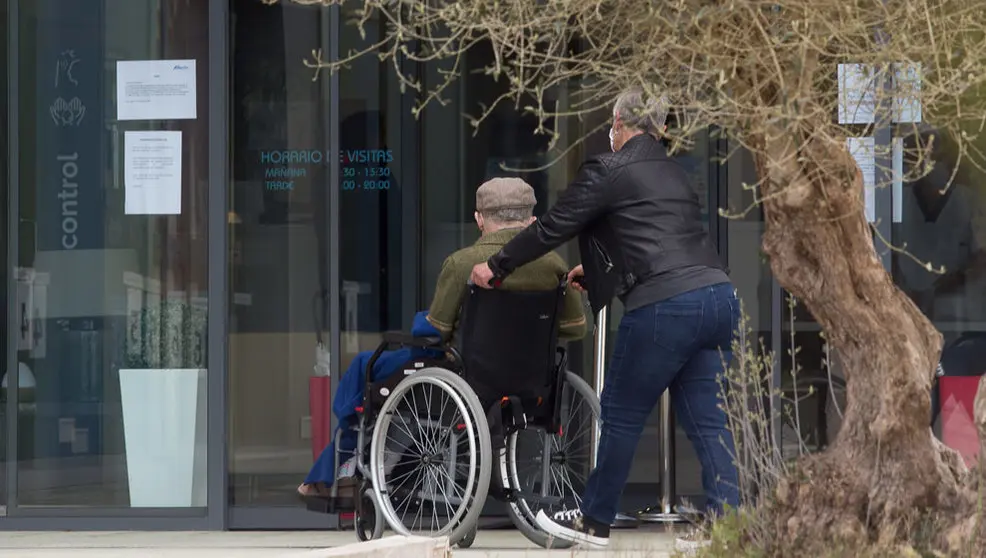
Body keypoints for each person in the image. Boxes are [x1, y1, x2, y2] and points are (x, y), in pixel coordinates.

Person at [471, 88, 740, 549]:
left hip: (665, 306)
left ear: (619, 124)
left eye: (611, 126)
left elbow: (553, 225)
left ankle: (593, 520)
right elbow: (651, 236)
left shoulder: (610, 168)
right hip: (716, 297)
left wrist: (496, 266)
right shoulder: (673, 172)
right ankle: (731, 524)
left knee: (619, 415)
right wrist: (594, 276)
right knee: (710, 424)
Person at [298, 177, 586, 500]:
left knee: (366, 368)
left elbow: (433, 334)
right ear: (532, 220)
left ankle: (337, 464)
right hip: (533, 383)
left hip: (467, 381)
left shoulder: (463, 263)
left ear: (479, 219)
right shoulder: (555, 266)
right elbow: (576, 328)